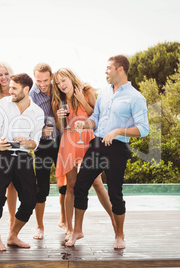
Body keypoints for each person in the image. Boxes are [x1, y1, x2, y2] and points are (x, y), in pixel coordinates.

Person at [65, 55, 149, 249]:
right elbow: (96, 116)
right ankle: (77, 230)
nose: (106, 71)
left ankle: (119, 235)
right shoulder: (103, 92)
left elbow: (144, 129)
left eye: (109, 68)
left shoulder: (136, 97)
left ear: (120, 70)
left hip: (117, 148)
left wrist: (119, 131)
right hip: (96, 145)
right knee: (80, 185)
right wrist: (85, 124)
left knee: (115, 193)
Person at [52, 68, 117, 241]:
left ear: (71, 78)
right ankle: (70, 228)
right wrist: (59, 118)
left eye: (63, 80)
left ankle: (114, 220)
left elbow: (96, 117)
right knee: (70, 185)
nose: (61, 85)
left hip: (87, 140)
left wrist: (82, 100)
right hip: (69, 142)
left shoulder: (87, 91)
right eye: (58, 83)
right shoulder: (58, 100)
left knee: (97, 182)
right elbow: (60, 128)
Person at [0, 73, 44, 251]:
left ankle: (13, 235)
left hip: (22, 155)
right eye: (9, 87)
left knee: (30, 198)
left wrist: (28, 143)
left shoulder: (38, 112)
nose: (9, 90)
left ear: (26, 90)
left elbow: (36, 141)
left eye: (14, 88)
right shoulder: (2, 105)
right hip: (0, 152)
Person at [29, 63, 66, 240]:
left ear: (51, 76)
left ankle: (64, 220)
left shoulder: (58, 89)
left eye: (45, 80)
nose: (42, 84)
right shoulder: (31, 95)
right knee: (41, 187)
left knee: (65, 184)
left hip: (61, 142)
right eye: (38, 81)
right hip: (42, 146)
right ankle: (39, 226)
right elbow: (27, 124)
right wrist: (40, 131)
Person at [0, 62, 18, 230]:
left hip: (15, 141)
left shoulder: (17, 93)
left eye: (6, 74)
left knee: (13, 183)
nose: (3, 77)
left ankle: (12, 218)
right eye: (0, 75)